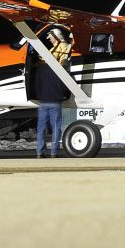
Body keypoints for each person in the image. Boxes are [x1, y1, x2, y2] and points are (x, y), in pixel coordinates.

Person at [34, 27, 73, 158]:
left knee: (41, 129)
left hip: (43, 102)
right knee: (56, 128)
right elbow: (63, 85)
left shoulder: (40, 70)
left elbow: (36, 85)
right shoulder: (59, 70)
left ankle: (40, 152)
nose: (50, 41)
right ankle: (54, 153)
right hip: (55, 102)